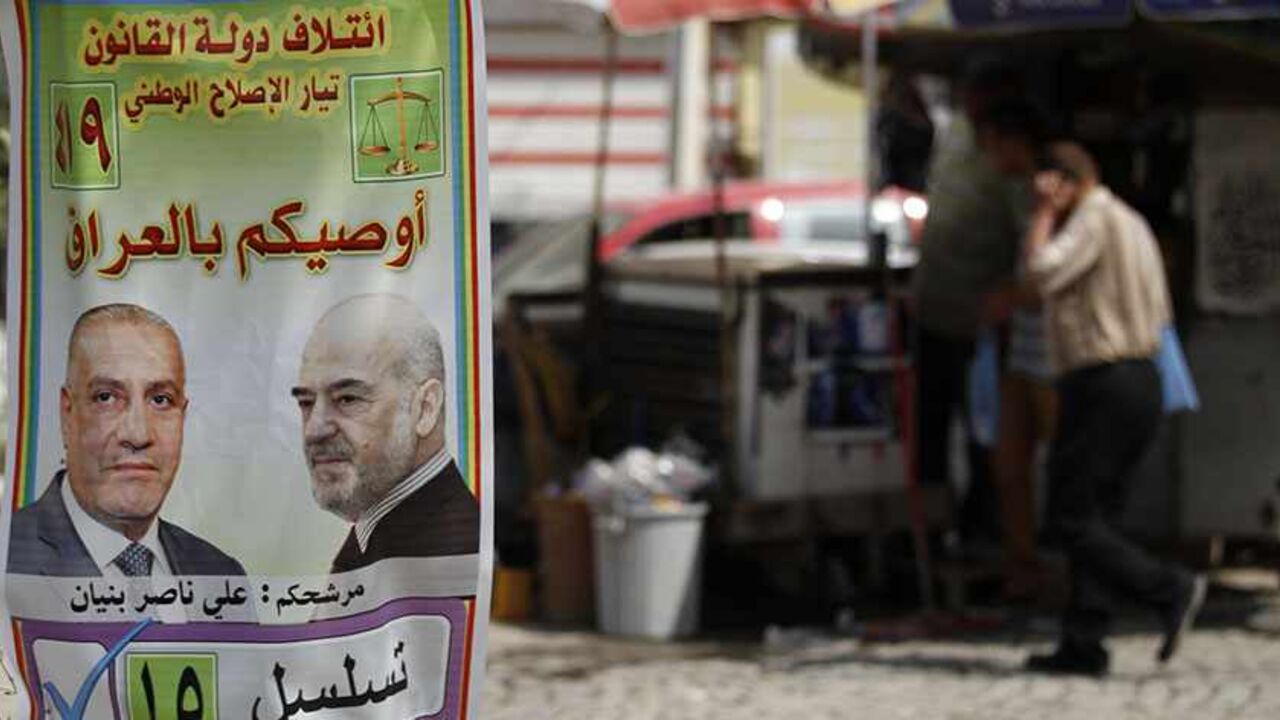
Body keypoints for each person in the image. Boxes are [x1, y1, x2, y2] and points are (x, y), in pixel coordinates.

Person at [1021, 142, 1205, 676]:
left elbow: (1039, 274)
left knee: (1070, 516)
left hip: (1106, 379)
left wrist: (1043, 216)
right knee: (1099, 514)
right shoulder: (1129, 220)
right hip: (1135, 379)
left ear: (1062, 182)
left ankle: (1169, 588)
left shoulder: (1093, 219)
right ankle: (1085, 640)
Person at [8, 304, 246, 579]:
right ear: (67, 413)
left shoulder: (222, 575)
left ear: (183, 415)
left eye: (161, 400)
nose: (138, 435)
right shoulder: (9, 554)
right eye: (106, 397)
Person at [912, 60, 1027, 545]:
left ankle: (982, 532)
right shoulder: (955, 134)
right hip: (931, 310)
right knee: (928, 432)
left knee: (983, 435)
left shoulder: (1010, 163)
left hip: (978, 323)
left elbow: (1027, 243)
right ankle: (928, 530)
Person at [292, 294, 480, 574]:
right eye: (306, 403)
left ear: (425, 408)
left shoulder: (448, 548)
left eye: (348, 399)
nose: (314, 430)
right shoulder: (382, 533)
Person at [976, 100, 1058, 601]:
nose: (989, 157)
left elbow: (1046, 272)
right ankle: (1024, 564)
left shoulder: (1052, 201)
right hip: (1019, 353)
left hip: (1054, 353)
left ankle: (1065, 568)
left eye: (992, 146)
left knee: (1058, 467)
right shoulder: (1019, 197)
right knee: (1009, 465)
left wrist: (1012, 294)